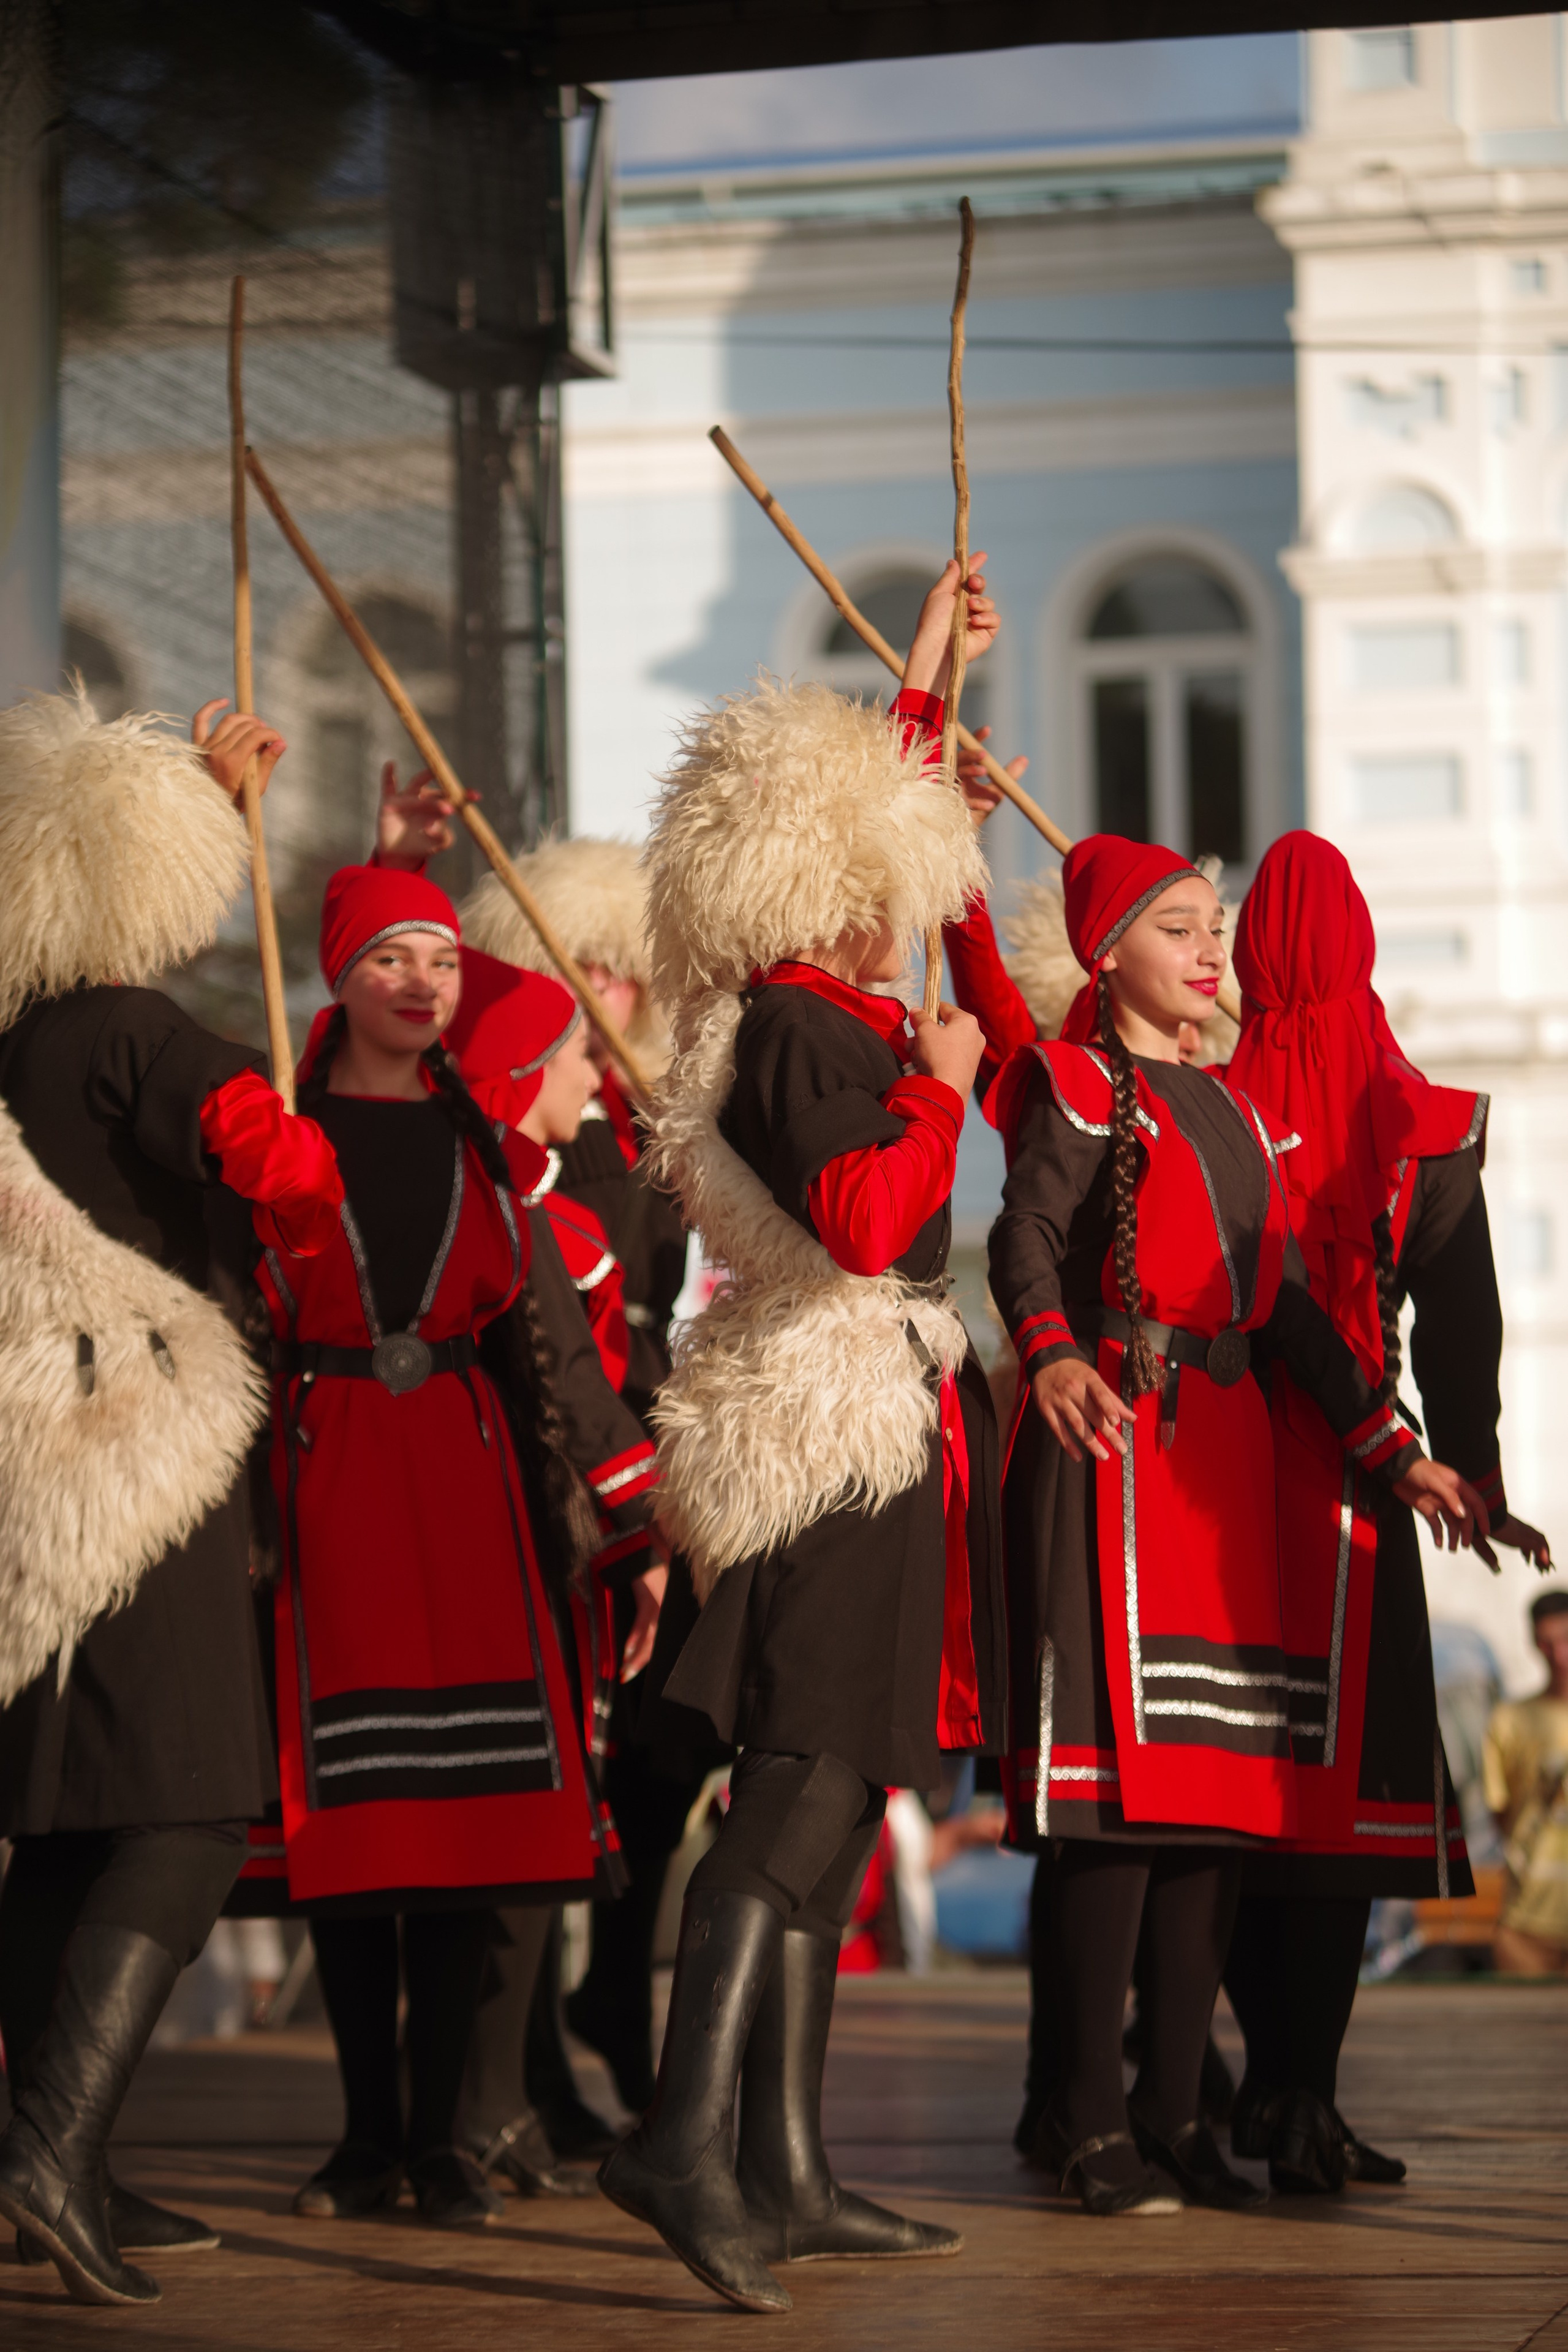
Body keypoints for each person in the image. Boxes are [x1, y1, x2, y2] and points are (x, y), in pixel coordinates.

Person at [596, 557, 1007, 2312]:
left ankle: (789, 2162)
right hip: (827, 1427)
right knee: (801, 1785)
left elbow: (873, 803)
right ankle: (684, 2144)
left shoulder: (815, 1006)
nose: (899, 889)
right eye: (875, 876)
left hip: (859, 1421)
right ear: (818, 891)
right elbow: (860, 1212)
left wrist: (926, 673)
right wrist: (950, 1082)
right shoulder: (795, 1024)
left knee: (839, 1815)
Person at [986, 832, 1481, 2218]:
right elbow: (1021, 1234)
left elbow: (1290, 1321)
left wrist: (1401, 1455)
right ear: (1105, 954)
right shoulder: (1078, 1080)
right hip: (1121, 1446)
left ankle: (1175, 2121)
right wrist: (1049, 1350)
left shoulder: (1231, 1107)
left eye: (1216, 928)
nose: (1210, 951)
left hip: (1222, 1480)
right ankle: (1087, 2119)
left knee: (1216, 1812)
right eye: (1177, 929)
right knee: (1119, 1817)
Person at [0, 690, 343, 2306]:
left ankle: (52, 2157)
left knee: (67, 1822)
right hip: (155, 1445)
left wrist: (214, 806)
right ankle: (51, 2152)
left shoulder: (14, 1046)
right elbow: (285, 1167)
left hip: (33, 1460)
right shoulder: (142, 1034)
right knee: (195, 1809)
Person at [262, 866, 658, 2232]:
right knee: (359, 1821)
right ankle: (363, 2134)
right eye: (388, 958)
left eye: (441, 957)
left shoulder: (485, 1142)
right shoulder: (280, 1131)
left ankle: (439, 2140)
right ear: (334, 980)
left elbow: (543, 1341)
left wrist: (628, 1524)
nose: (424, 981)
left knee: (460, 1830)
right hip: (334, 1479)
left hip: (473, 1489)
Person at [1216, 831, 1550, 2190]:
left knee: (1237, 1797)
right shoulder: (1414, 1118)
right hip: (1361, 1486)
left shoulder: (1198, 1097)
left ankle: (1242, 2086)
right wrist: (1471, 1471)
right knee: (1341, 1806)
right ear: (1358, 945)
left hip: (1215, 1489)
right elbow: (1463, 1318)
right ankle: (1304, 2096)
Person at [376, 795, 692, 2133]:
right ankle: (516, 2083)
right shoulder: (520, 1129)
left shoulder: (656, 1130)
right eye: (583, 966)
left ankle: (597, 2010)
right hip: (551, 1473)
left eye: (620, 966)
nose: (608, 990)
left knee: (654, 1774)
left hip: (645, 1452)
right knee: (542, 1788)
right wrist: (396, 873)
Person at [441, 948, 665, 2194]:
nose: (594, 1065)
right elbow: (571, 1389)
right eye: (572, 1047)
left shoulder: (548, 1205)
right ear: (525, 1071)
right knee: (500, 1825)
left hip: (536, 1533)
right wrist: (644, 1533)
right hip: (501, 1536)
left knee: (533, 1828)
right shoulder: (506, 1205)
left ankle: (483, 2108)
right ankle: (455, 2113)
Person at [1485, 1593, 1568, 1974]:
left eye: (1565, 1640)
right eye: (1547, 1643)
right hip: (1525, 1928)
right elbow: (1500, 1816)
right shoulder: (1509, 1721)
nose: (1558, 1656)